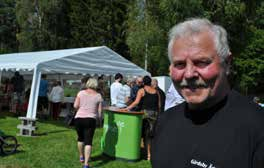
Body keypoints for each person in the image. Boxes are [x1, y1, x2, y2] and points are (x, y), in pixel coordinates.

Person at [151, 18, 264, 168]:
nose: (189, 74)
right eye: (180, 64)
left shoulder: (257, 127)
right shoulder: (164, 122)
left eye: (201, 62)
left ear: (227, 63)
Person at [124, 75, 160, 160]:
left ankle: (147, 154)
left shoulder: (141, 90)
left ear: (143, 82)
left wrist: (126, 108)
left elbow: (136, 102)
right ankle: (150, 154)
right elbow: (159, 105)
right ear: (150, 82)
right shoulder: (156, 92)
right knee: (152, 135)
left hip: (145, 114)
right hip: (155, 115)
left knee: (144, 135)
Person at [74, 78, 103, 168]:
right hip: (90, 119)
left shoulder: (80, 93)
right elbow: (100, 111)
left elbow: (75, 106)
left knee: (80, 138)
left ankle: (81, 156)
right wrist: (100, 120)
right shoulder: (98, 96)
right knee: (88, 141)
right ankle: (86, 164)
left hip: (78, 118)